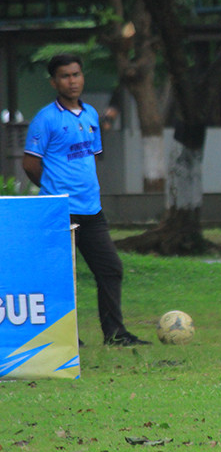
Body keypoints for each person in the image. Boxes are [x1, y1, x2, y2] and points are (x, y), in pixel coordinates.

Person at [23, 54, 150, 347]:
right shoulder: (46, 119)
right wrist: (53, 190)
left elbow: (89, 157)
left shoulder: (91, 114)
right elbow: (30, 164)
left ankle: (115, 334)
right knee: (61, 278)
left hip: (92, 210)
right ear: (55, 82)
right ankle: (66, 339)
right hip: (60, 212)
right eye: (65, 76)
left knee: (110, 269)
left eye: (76, 74)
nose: (72, 81)